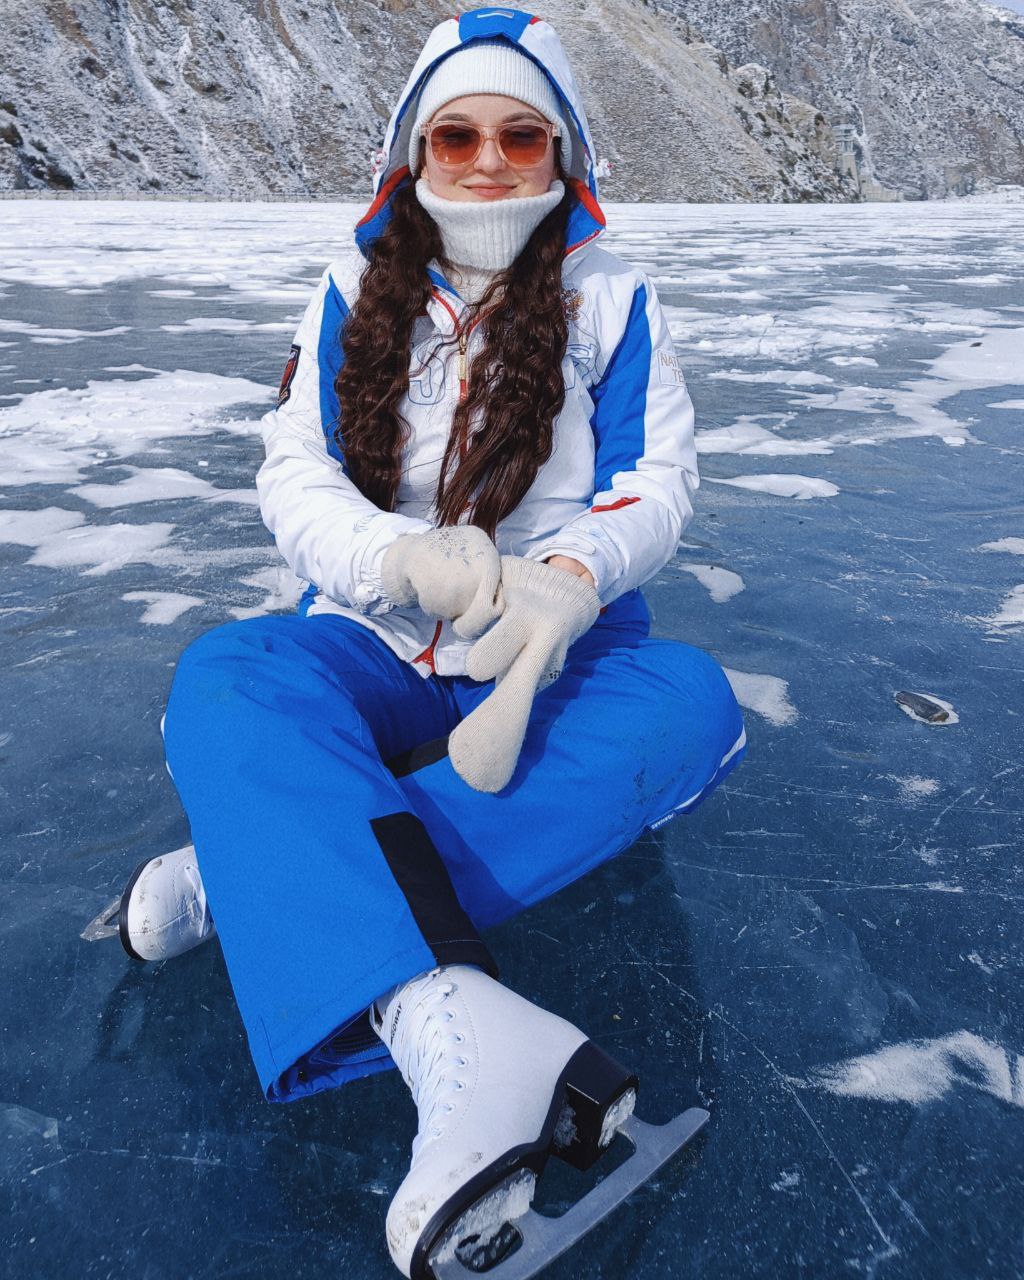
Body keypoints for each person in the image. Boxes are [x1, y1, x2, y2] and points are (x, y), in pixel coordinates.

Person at [123, 8, 746, 1276]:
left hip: (550, 654)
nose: (487, 159)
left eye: (523, 135)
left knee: (690, 705)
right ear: (412, 151)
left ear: (563, 156)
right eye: (455, 133)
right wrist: (394, 557)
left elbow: (656, 483)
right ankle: (449, 1014)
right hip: (369, 634)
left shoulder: (613, 304)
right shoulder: (354, 292)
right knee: (232, 675)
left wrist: (566, 580)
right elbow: (294, 472)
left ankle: (268, 873)